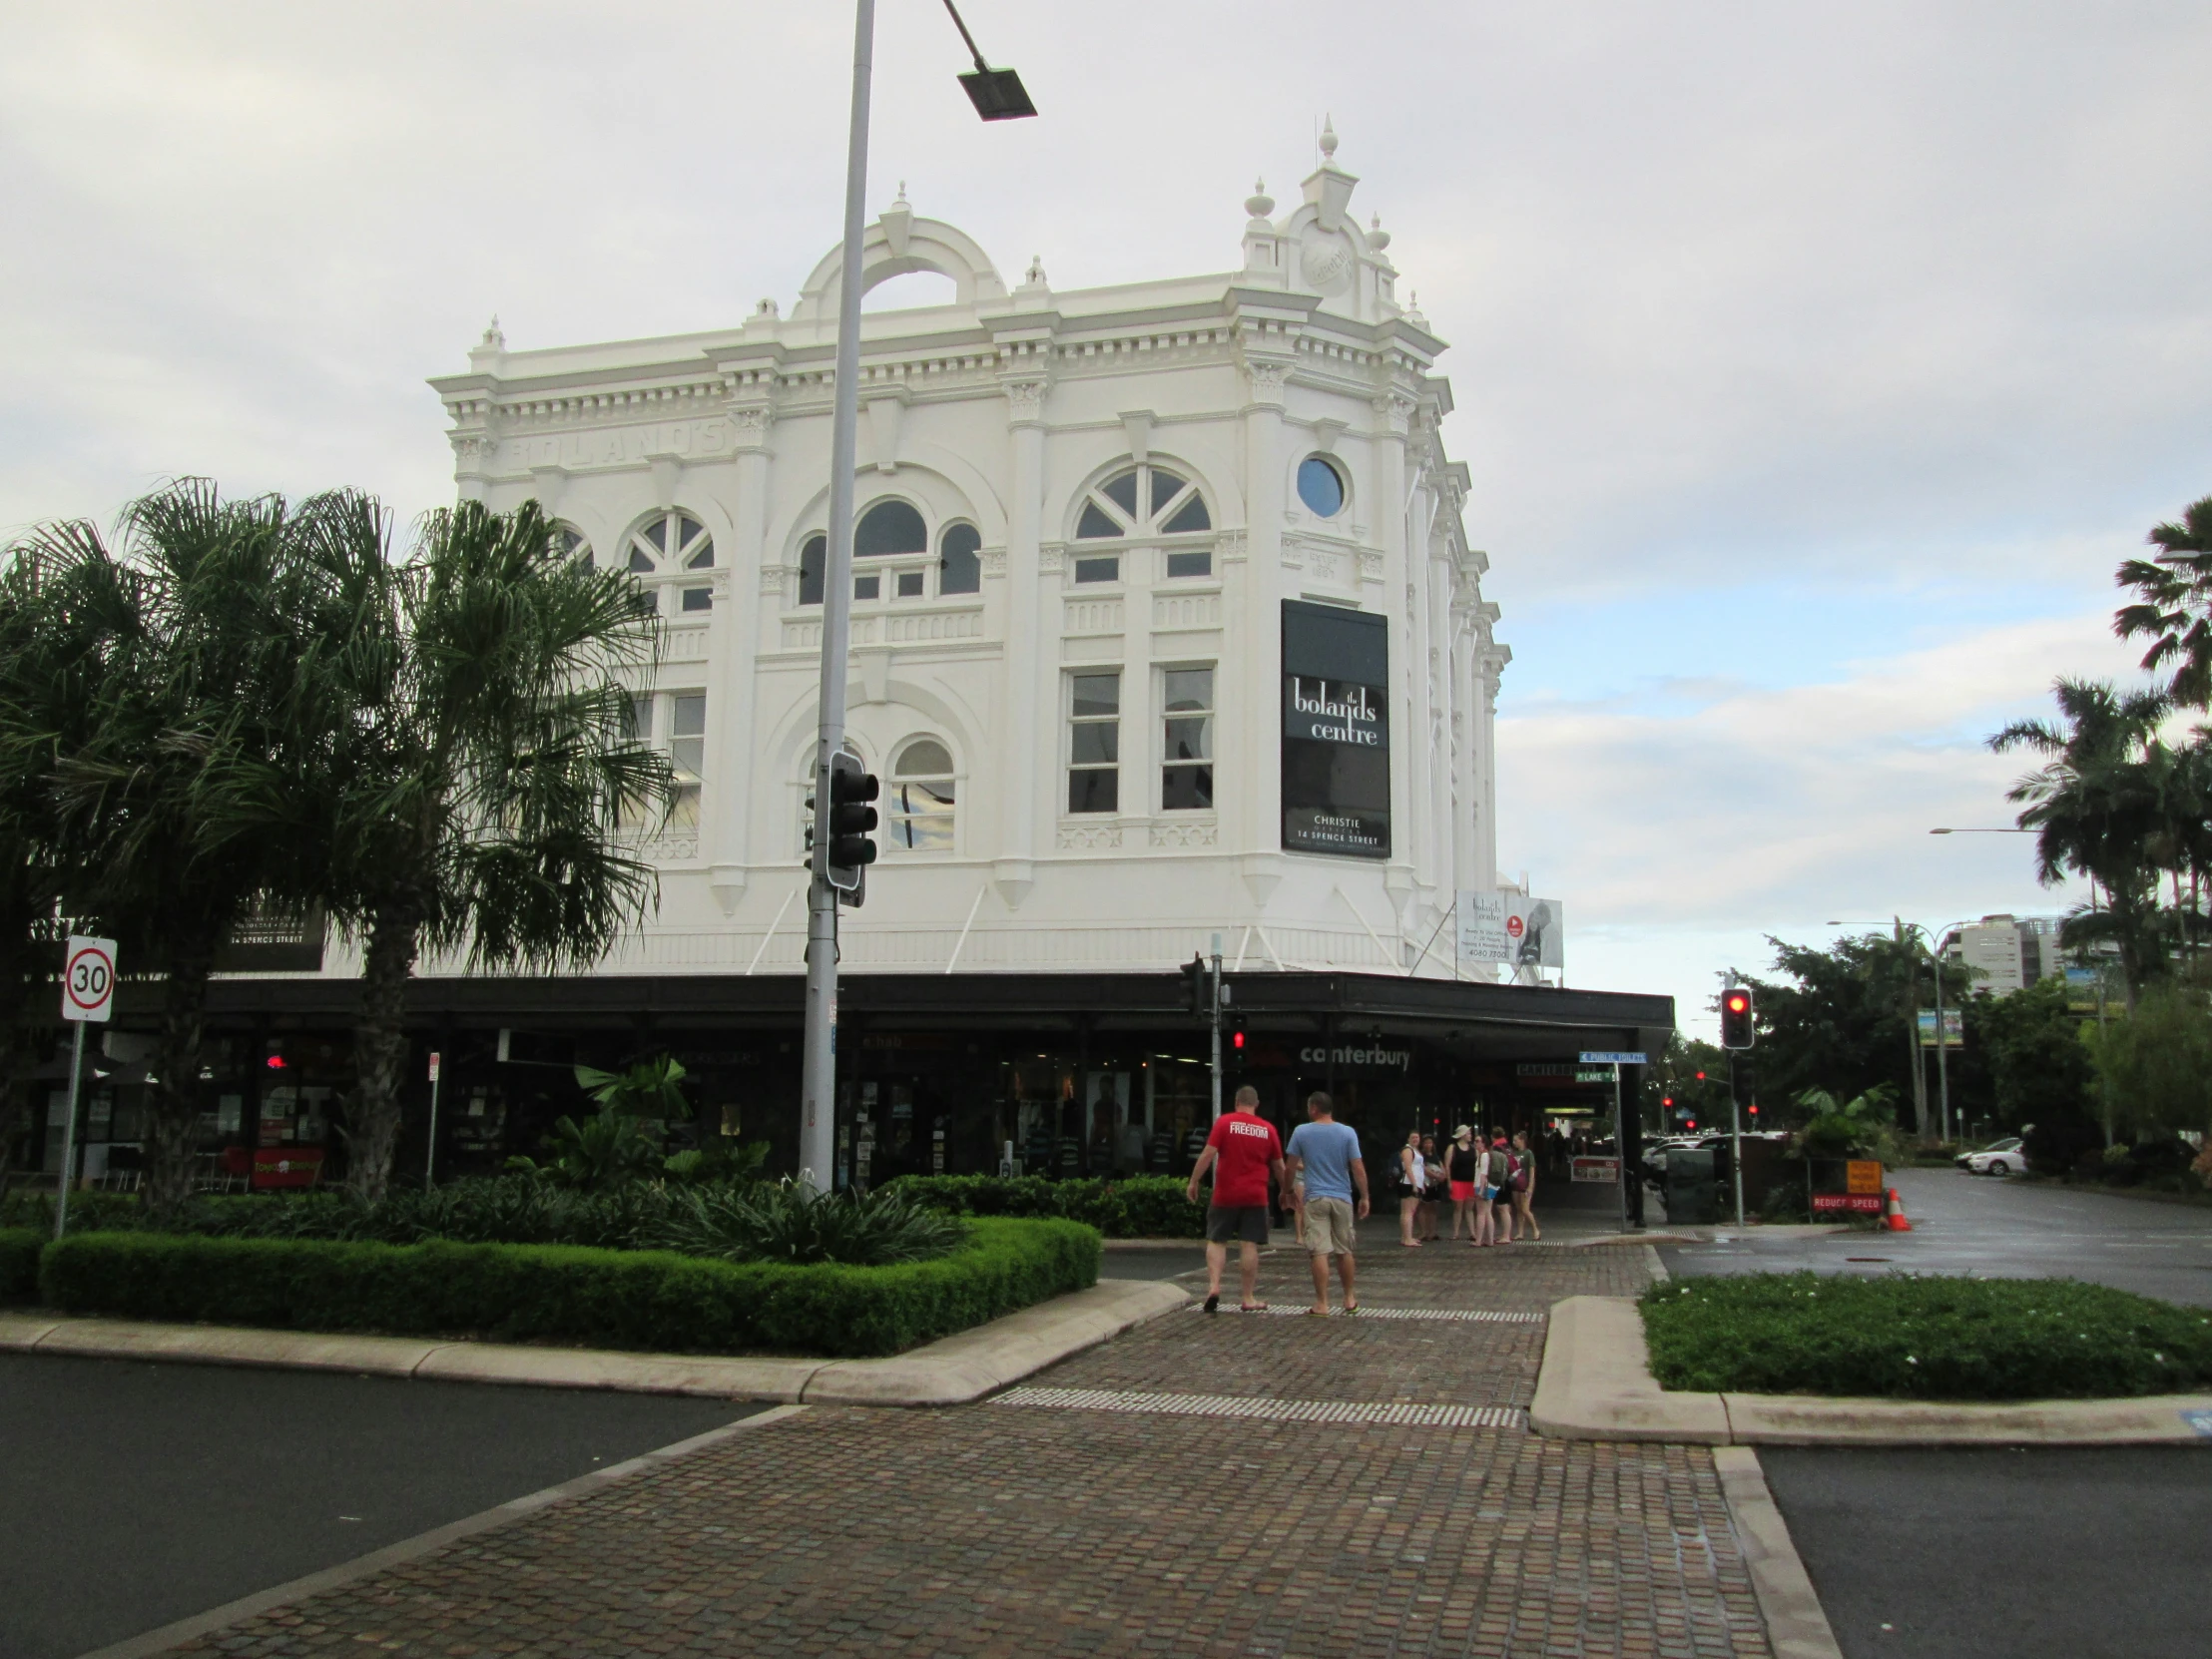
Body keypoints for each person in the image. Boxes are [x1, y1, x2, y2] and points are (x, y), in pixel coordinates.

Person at [1186, 1084, 1287, 1313]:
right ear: (1256, 1105)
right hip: (1255, 1195)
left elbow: (1208, 1153)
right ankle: (1248, 1297)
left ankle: (1213, 1287)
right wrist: (1285, 1191)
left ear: (1236, 1103)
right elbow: (1279, 1166)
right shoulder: (1268, 1129)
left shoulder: (1224, 1123)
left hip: (1225, 1193)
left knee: (1217, 1239)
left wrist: (1194, 1181)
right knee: (1249, 1244)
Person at [1283, 1091, 1370, 1315]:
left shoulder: (1301, 1132)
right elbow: (1357, 1167)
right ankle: (1349, 1298)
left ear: (1313, 1108)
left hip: (1315, 1197)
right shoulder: (1347, 1132)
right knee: (1344, 1249)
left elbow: (1290, 1166)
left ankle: (1322, 1303)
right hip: (1342, 1197)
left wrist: (1287, 1190)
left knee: (1319, 1251)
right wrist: (1365, 1196)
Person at [1446, 1125, 1480, 1240]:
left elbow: (1478, 1165)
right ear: (1462, 1135)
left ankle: (1472, 1232)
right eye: (1469, 1133)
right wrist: (1449, 1181)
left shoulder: (1473, 1149)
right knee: (1458, 1207)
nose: (1470, 1136)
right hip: (1457, 1181)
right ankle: (1456, 1232)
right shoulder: (1453, 1148)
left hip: (1471, 1182)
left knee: (1470, 1208)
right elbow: (1447, 1165)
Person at [1395, 1129, 1425, 1247]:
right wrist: (1414, 1184)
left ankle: (1406, 1236)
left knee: (1409, 1212)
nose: (1415, 1139)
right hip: (1408, 1183)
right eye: (1413, 1137)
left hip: (1416, 1183)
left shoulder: (1416, 1150)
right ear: (1408, 1139)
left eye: (1417, 1137)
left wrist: (1421, 1184)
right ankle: (1407, 1238)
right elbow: (1408, 1168)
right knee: (1407, 1212)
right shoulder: (1407, 1150)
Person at [1511, 1129, 1541, 1242]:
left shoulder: (1528, 1153)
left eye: (1516, 1140)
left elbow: (1532, 1171)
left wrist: (1530, 1186)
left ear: (1522, 1140)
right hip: (1516, 1183)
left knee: (1525, 1209)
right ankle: (1520, 1232)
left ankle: (1535, 1230)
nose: (1514, 1142)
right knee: (1519, 1209)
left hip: (1525, 1183)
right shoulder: (1514, 1153)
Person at [1488, 1131, 1518, 1245]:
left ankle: (1506, 1236)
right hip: (1509, 1179)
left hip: (1502, 1181)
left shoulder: (1496, 1148)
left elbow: (1496, 1167)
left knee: (1503, 1208)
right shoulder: (1508, 1147)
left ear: (1493, 1137)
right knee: (1506, 1208)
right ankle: (1506, 1234)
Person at [1418, 1135, 1446, 1240]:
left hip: (1436, 1185)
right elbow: (1424, 1169)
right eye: (1426, 1142)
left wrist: (1443, 1175)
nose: (1428, 1145)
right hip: (1426, 1184)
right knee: (1424, 1207)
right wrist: (1436, 1176)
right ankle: (1423, 1232)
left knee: (1434, 1208)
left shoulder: (1436, 1155)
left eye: (1430, 1142)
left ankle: (1433, 1232)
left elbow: (1442, 1167)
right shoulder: (1421, 1155)